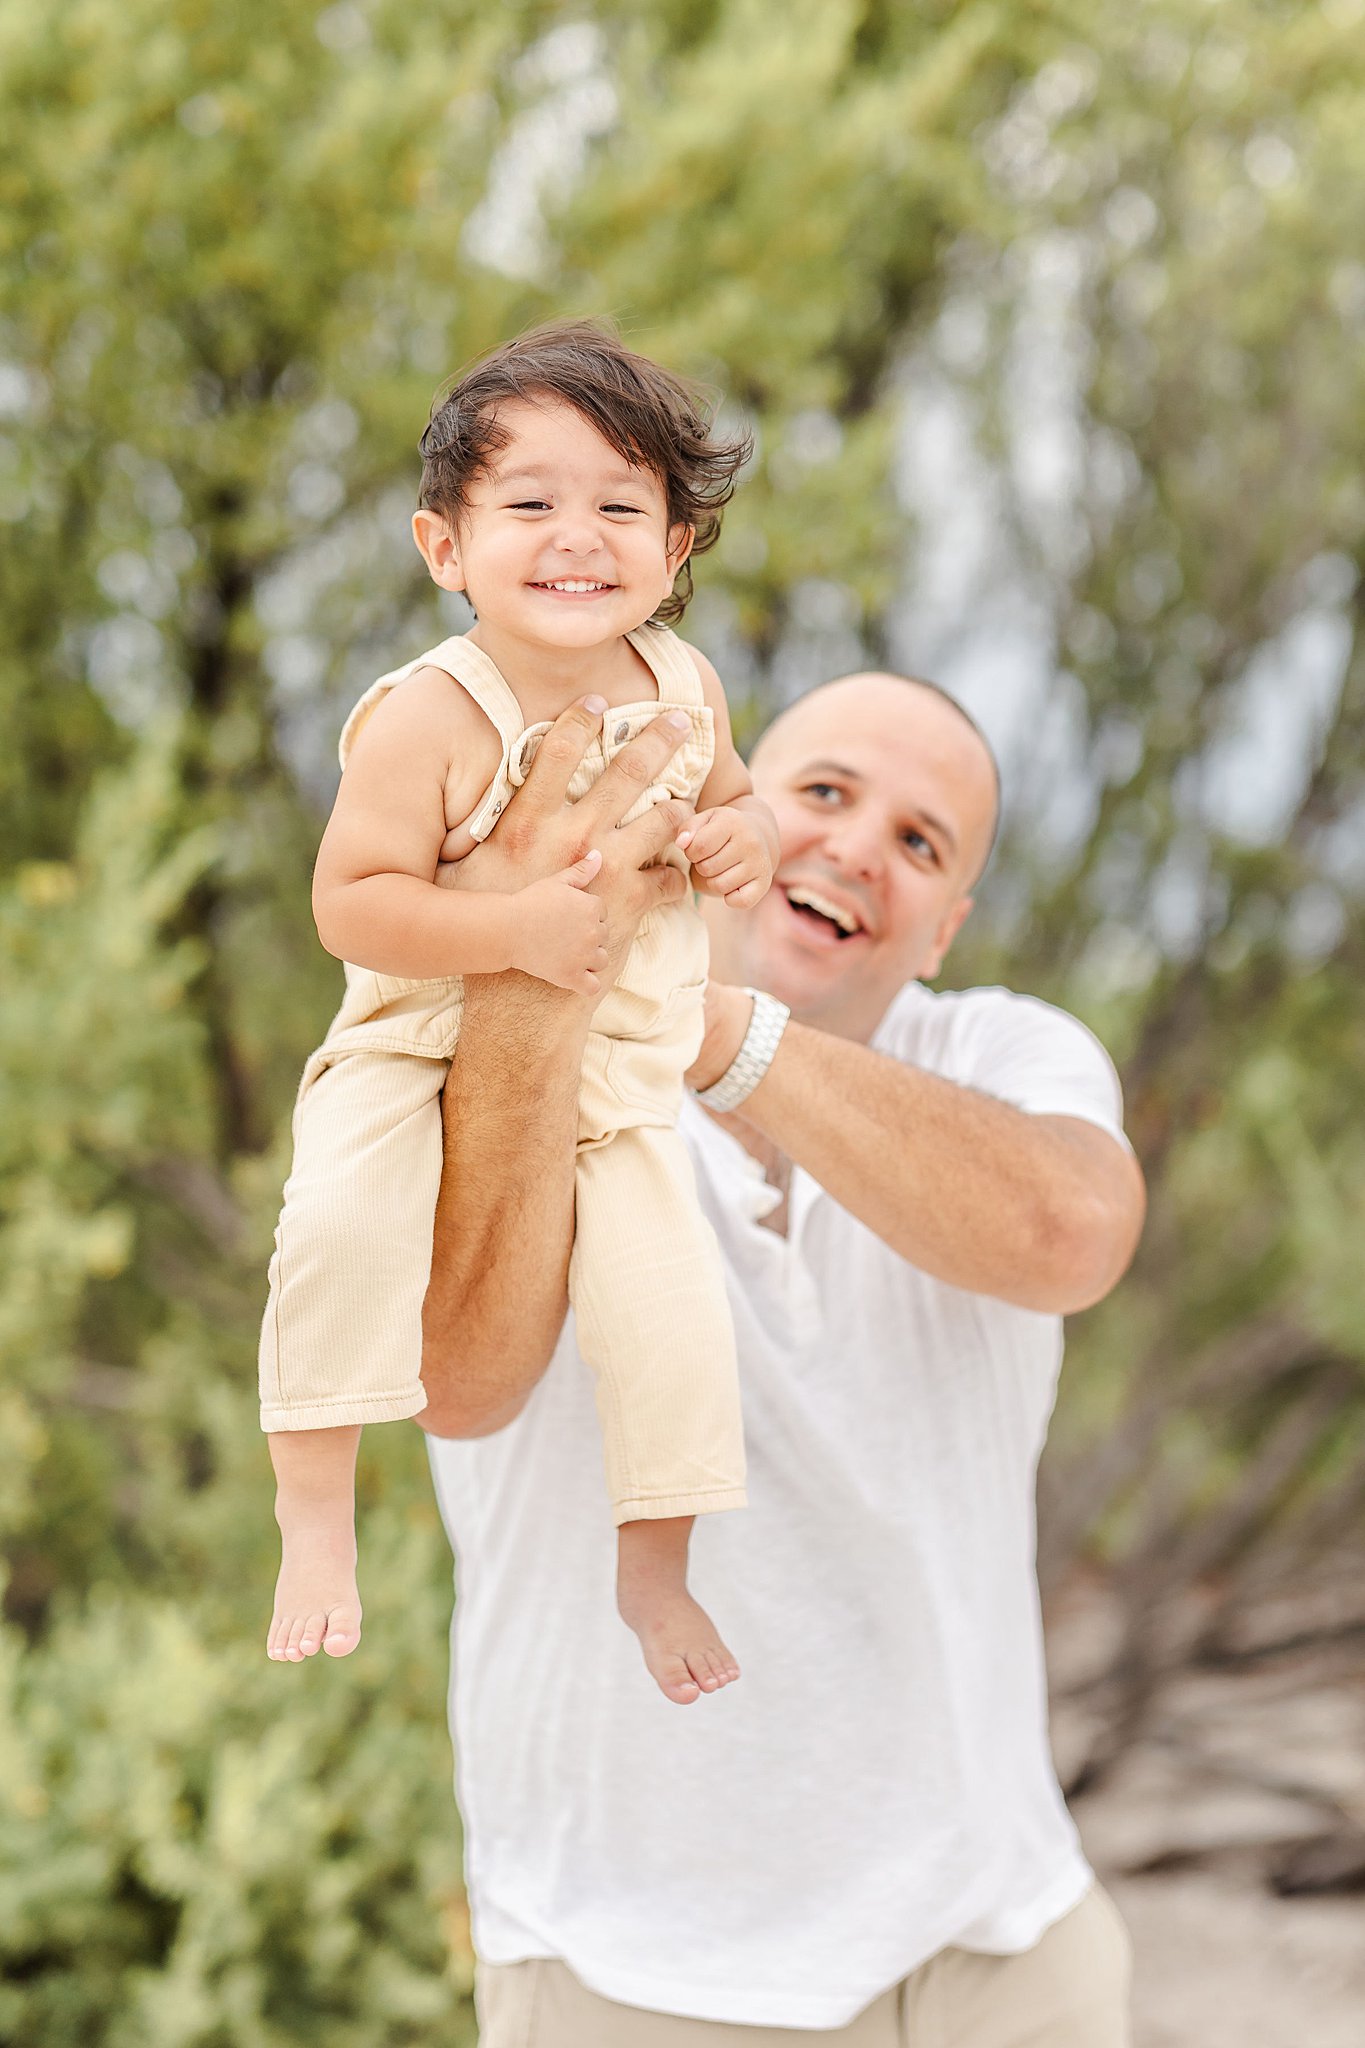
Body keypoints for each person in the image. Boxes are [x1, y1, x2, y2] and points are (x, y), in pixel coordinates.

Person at [418, 669, 1148, 2045]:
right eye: (822, 793)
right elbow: (457, 1384)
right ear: (723, 803)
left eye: (920, 842)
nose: (861, 846)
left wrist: (712, 1030)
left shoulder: (1005, 1052)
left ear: (943, 930)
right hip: (632, 1963)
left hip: (996, 1948)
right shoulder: (516, 1037)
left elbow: (1069, 1232)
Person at [261, 322, 779, 1703]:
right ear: (446, 547)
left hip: (619, 1079)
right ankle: (314, 1513)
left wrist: (750, 835)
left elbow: (730, 806)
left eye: (620, 506)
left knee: (672, 1311)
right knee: (336, 1231)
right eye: (530, 503)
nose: (577, 536)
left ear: (674, 551)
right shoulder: (432, 714)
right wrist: (506, 932)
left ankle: (653, 1562)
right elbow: (352, 904)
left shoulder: (684, 693)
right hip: (414, 1046)